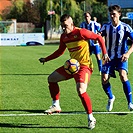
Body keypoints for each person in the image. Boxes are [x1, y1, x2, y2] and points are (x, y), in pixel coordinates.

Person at [39, 14, 109, 130]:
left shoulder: (81, 32)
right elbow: (59, 52)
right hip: (71, 66)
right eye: (62, 26)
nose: (63, 28)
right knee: (51, 79)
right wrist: (46, 59)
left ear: (72, 24)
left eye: (65, 26)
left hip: (84, 66)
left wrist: (105, 53)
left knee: (81, 90)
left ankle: (91, 117)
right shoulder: (63, 37)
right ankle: (56, 104)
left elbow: (99, 38)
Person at [100, 5, 133, 112]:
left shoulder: (126, 27)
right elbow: (99, 38)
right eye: (110, 14)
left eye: (114, 14)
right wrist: (97, 38)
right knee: (104, 79)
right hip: (108, 57)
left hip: (121, 57)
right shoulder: (106, 26)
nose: (112, 16)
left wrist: (127, 53)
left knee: (123, 75)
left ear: (119, 14)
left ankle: (130, 102)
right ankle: (111, 97)